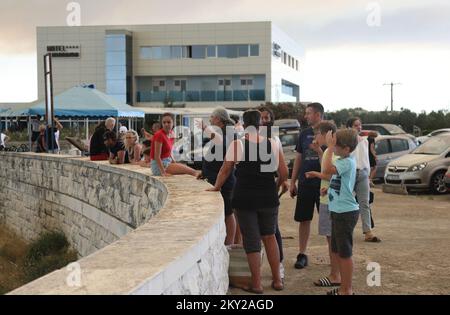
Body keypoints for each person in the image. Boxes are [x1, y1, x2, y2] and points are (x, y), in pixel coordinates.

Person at [207, 110, 288, 294]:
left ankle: (257, 284)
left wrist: (216, 187)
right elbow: (284, 174)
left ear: (243, 125)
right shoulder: (272, 143)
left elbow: (225, 169)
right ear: (260, 125)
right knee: (270, 237)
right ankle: (277, 280)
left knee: (251, 241)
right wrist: (274, 187)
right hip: (268, 197)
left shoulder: (238, 144)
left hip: (244, 198)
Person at [322, 128, 359, 295]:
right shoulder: (343, 160)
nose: (334, 148)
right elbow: (337, 181)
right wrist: (328, 190)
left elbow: (327, 169)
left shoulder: (346, 162)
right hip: (338, 210)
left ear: (346, 149)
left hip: (345, 213)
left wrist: (328, 148)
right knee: (337, 250)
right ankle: (342, 285)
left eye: (336, 145)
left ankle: (347, 289)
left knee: (345, 253)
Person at [304, 121, 341, 288]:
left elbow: (328, 175)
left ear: (326, 134)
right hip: (330, 199)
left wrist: (315, 174)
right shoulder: (333, 151)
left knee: (332, 240)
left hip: (329, 201)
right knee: (333, 240)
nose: (315, 137)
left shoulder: (331, 152)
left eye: (317, 134)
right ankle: (337, 273)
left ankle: (335, 275)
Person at [290, 102, 324, 269]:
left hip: (324, 185)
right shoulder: (304, 134)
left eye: (308, 113)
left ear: (318, 114)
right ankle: (302, 254)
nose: (306, 116)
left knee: (327, 220)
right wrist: (292, 181)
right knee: (304, 219)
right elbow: (298, 158)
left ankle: (335, 256)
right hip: (305, 184)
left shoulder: (330, 133)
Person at [199, 107, 237, 245]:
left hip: (224, 180)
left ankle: (230, 243)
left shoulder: (228, 133)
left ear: (219, 119)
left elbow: (222, 148)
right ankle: (227, 242)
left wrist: (205, 128)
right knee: (226, 212)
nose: (210, 119)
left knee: (228, 212)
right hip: (217, 178)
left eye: (212, 117)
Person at [259, 105, 289, 279]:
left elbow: (281, 166)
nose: (264, 120)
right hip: (253, 187)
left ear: (271, 120)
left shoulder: (274, 139)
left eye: (267, 118)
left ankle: (279, 264)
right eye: (261, 117)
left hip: (269, 185)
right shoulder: (247, 138)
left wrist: (280, 182)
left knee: (272, 229)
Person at [346, 118, 381, 243]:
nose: (359, 127)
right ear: (349, 127)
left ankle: (368, 232)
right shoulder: (345, 142)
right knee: (347, 203)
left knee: (364, 203)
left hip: (363, 174)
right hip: (349, 174)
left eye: (360, 125)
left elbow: (375, 134)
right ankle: (345, 229)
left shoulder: (365, 141)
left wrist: (368, 174)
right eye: (356, 125)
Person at [150, 112, 200, 177]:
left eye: (168, 122)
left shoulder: (171, 133)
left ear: (173, 123)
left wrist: (174, 163)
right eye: (164, 122)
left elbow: (169, 152)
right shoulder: (159, 135)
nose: (166, 124)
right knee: (192, 172)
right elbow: (157, 156)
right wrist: (163, 173)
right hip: (159, 166)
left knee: (188, 169)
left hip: (167, 161)